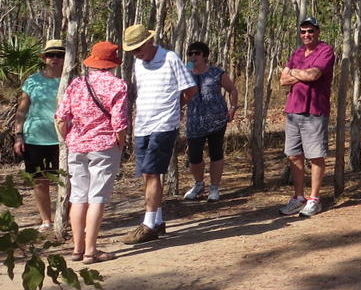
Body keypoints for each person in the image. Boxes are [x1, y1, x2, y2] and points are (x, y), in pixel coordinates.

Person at [53, 42, 129, 263]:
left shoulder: (76, 83)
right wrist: (121, 144)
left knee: (78, 197)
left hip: (76, 145)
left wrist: (69, 139)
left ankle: (77, 249)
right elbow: (120, 123)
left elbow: (60, 117)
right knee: (97, 198)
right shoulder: (118, 86)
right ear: (112, 63)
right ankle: (91, 251)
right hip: (104, 145)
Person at [121, 23, 195, 244]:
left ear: (148, 42)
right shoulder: (137, 63)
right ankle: (158, 220)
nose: (136, 53)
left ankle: (148, 224)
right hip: (143, 124)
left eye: (138, 48)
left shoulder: (170, 58)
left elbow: (190, 89)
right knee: (147, 173)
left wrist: (174, 108)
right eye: (132, 50)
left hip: (164, 125)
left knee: (153, 173)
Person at [279, 16, 334, 218]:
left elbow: (314, 75)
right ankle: (298, 197)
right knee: (294, 155)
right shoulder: (297, 53)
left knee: (315, 156)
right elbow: (283, 80)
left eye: (310, 31)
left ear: (317, 32)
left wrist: (294, 72)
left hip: (315, 111)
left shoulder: (325, 51)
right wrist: (300, 72)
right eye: (303, 31)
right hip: (293, 110)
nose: (306, 35)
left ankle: (314, 199)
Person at [12, 39, 65, 231]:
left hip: (63, 140)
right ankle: (46, 221)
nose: (55, 59)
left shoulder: (72, 81)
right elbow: (22, 110)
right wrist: (18, 135)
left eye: (60, 55)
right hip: (35, 138)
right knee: (39, 181)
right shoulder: (33, 81)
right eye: (51, 55)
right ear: (44, 58)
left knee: (66, 181)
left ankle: (64, 218)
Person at [182, 41, 239, 202]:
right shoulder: (185, 72)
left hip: (217, 120)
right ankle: (199, 184)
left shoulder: (216, 73)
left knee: (216, 153)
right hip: (194, 122)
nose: (193, 56)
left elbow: (232, 89)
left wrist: (232, 108)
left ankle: (214, 187)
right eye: (190, 53)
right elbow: (179, 93)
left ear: (205, 56)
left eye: (197, 53)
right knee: (194, 156)